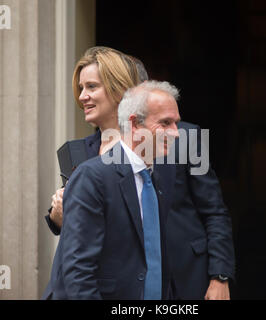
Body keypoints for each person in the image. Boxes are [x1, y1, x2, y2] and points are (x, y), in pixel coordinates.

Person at [45, 46, 235, 300]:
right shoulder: (79, 152)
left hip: (182, 277)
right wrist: (58, 216)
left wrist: (219, 275)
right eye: (81, 88)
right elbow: (81, 234)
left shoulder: (184, 139)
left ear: (118, 89)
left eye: (92, 87)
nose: (82, 96)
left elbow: (214, 212)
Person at [43, 80, 181, 299]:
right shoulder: (92, 176)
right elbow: (79, 272)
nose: (176, 133)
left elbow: (154, 261)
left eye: (176, 123)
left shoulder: (159, 175)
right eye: (165, 123)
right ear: (134, 124)